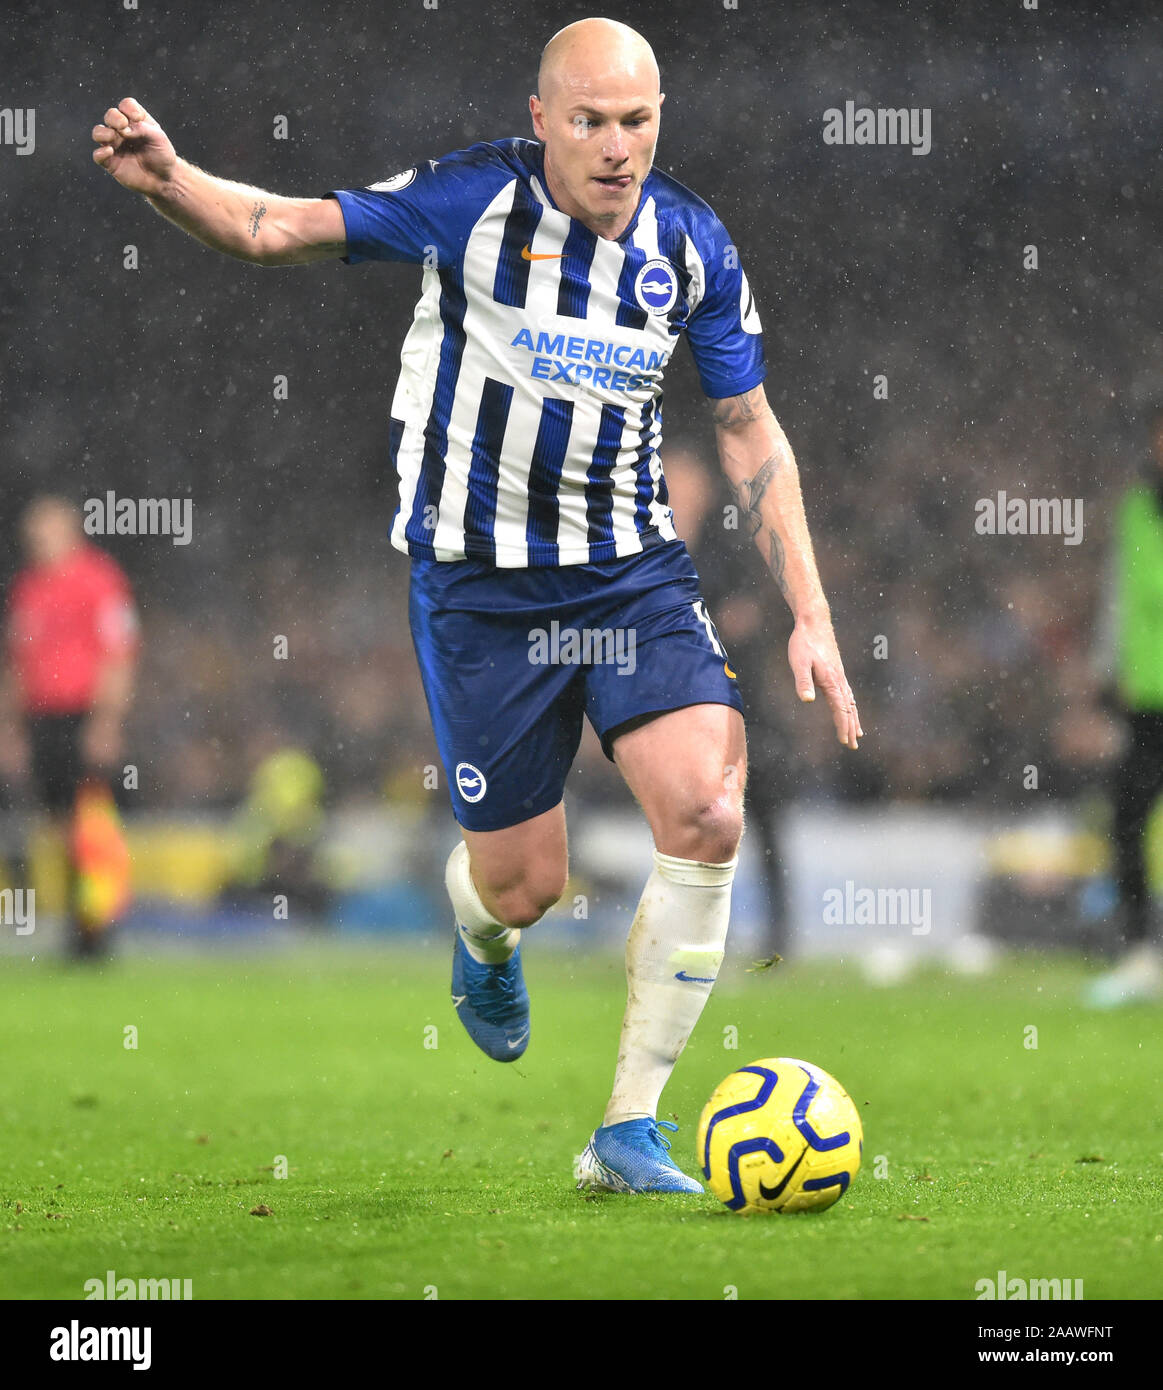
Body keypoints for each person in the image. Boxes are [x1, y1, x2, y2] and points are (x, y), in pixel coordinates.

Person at [91, 17, 861, 1192]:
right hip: (480, 590)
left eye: (637, 121)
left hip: (630, 572)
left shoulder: (692, 246)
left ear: (660, 120)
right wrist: (168, 183)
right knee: (522, 883)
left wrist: (808, 610)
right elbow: (274, 226)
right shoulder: (470, 202)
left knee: (706, 808)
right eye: (590, 121)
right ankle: (483, 934)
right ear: (543, 118)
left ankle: (625, 1127)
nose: (615, 148)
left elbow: (747, 429)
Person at [0, 496, 138, 957]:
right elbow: (19, 663)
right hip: (43, 718)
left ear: (70, 530)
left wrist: (106, 722)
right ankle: (79, 925)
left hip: (83, 714)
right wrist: (11, 727)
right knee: (59, 825)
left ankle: (100, 926)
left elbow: (118, 653)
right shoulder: (29, 588)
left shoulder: (100, 580)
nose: (38, 541)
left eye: (46, 530)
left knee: (92, 825)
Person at [1087, 407, 1163, 1006]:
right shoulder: (1136, 508)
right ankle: (1141, 955)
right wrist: (1104, 671)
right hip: (1145, 702)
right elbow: (1119, 596)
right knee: (1127, 821)